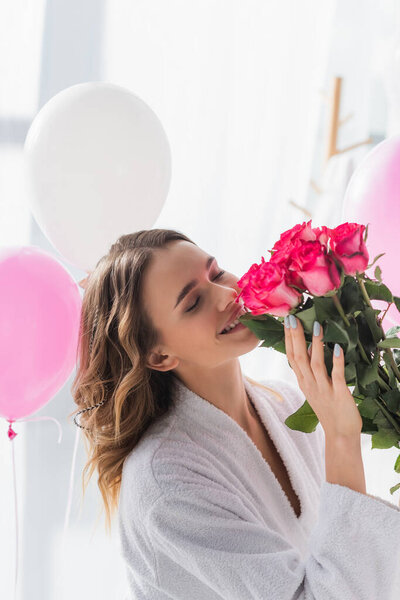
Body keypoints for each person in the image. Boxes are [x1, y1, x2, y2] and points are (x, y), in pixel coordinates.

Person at [71, 228, 400, 600]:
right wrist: (342, 440)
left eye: (217, 273)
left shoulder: (288, 405)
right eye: (194, 302)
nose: (229, 295)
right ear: (160, 356)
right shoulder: (165, 483)